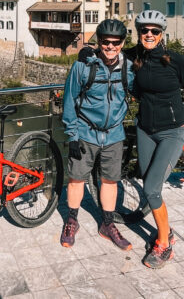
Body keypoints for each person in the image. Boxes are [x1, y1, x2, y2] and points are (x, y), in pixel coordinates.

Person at [127, 10, 184, 268]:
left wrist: (180, 122)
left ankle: (164, 244)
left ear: (161, 34)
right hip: (145, 129)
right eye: (144, 30)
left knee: (152, 189)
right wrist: (87, 53)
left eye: (154, 31)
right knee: (148, 180)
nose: (148, 34)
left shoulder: (176, 60)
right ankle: (166, 228)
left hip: (171, 132)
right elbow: (108, 51)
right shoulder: (136, 58)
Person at [60, 19, 135, 251]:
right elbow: (69, 99)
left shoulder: (129, 68)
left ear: (122, 43)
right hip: (85, 132)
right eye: (105, 42)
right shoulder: (82, 66)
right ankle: (71, 221)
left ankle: (107, 224)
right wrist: (72, 135)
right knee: (76, 179)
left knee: (110, 181)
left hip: (114, 134)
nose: (110, 47)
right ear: (98, 42)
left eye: (115, 42)